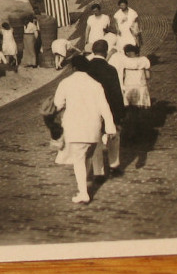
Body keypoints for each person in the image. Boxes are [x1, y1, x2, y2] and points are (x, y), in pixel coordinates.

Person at [52, 59, 117, 204]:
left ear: (73, 67)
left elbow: (57, 104)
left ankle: (83, 192)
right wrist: (110, 127)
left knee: (79, 160)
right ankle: (84, 186)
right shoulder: (95, 84)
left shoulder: (66, 83)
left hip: (75, 128)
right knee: (86, 157)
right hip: (93, 128)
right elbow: (104, 108)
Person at [84, 40, 126, 179]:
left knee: (96, 140)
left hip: (91, 109)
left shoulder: (86, 69)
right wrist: (119, 114)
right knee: (114, 138)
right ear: (106, 52)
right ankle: (114, 165)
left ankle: (98, 171)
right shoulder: (110, 70)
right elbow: (116, 93)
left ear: (93, 51)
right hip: (109, 108)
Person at [120, 44, 151, 110]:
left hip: (129, 86)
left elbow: (122, 75)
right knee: (142, 104)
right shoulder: (144, 60)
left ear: (127, 53)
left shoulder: (124, 61)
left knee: (130, 106)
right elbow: (148, 76)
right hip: (141, 85)